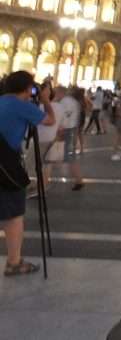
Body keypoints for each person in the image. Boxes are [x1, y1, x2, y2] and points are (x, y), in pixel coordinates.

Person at [0, 71, 56, 277]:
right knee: (14, 215)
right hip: (6, 165)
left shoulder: (2, 101)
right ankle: (14, 262)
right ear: (26, 89)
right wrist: (45, 100)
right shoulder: (22, 107)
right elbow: (50, 120)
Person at [49, 86, 84, 190]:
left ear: (60, 92)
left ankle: (78, 180)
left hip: (65, 131)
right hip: (70, 130)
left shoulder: (65, 102)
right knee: (69, 156)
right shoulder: (73, 101)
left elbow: (64, 117)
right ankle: (78, 180)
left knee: (50, 154)